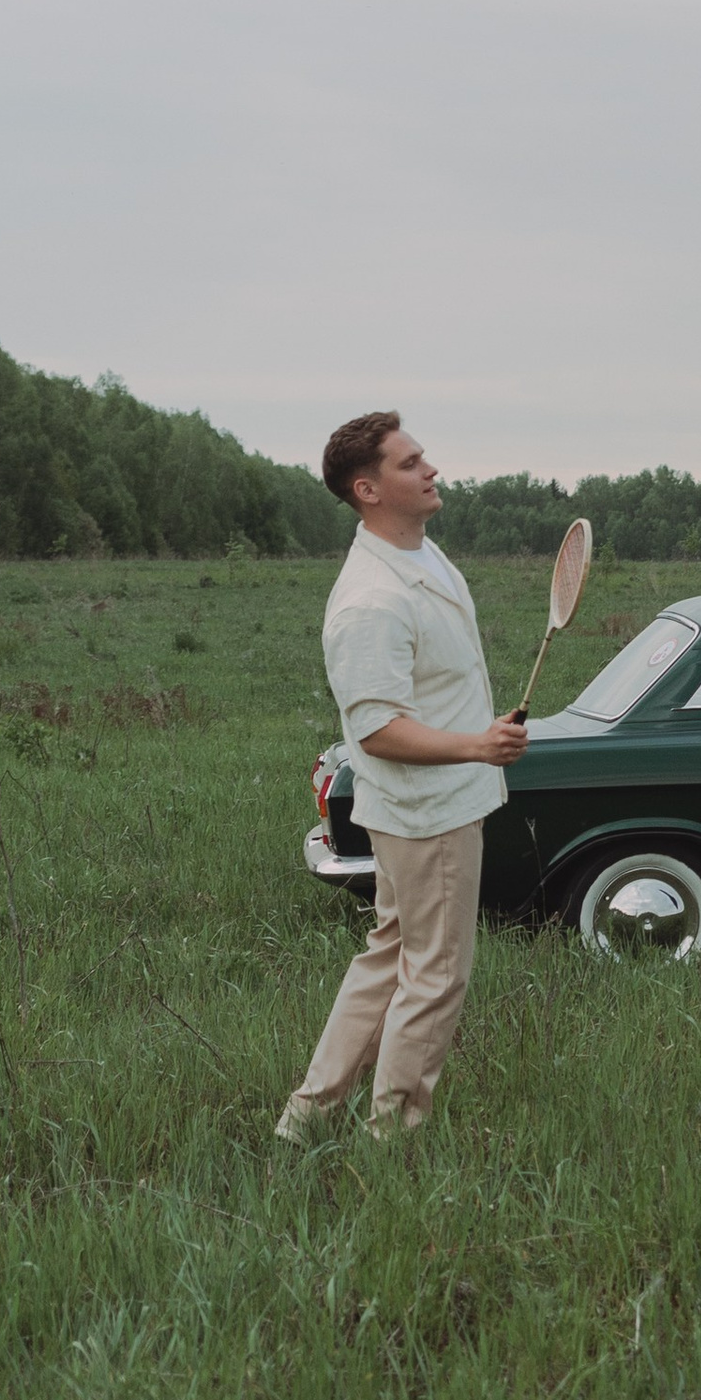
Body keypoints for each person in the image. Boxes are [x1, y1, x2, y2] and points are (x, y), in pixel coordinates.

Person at [275, 414, 526, 1140]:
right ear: (369, 488)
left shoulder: (420, 554)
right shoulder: (369, 601)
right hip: (427, 813)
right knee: (436, 973)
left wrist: (477, 747)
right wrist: (478, 748)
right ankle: (393, 1139)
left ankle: (308, 1118)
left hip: (436, 801)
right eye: (411, 463)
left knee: (392, 955)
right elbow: (379, 731)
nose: (431, 469)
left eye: (424, 457)